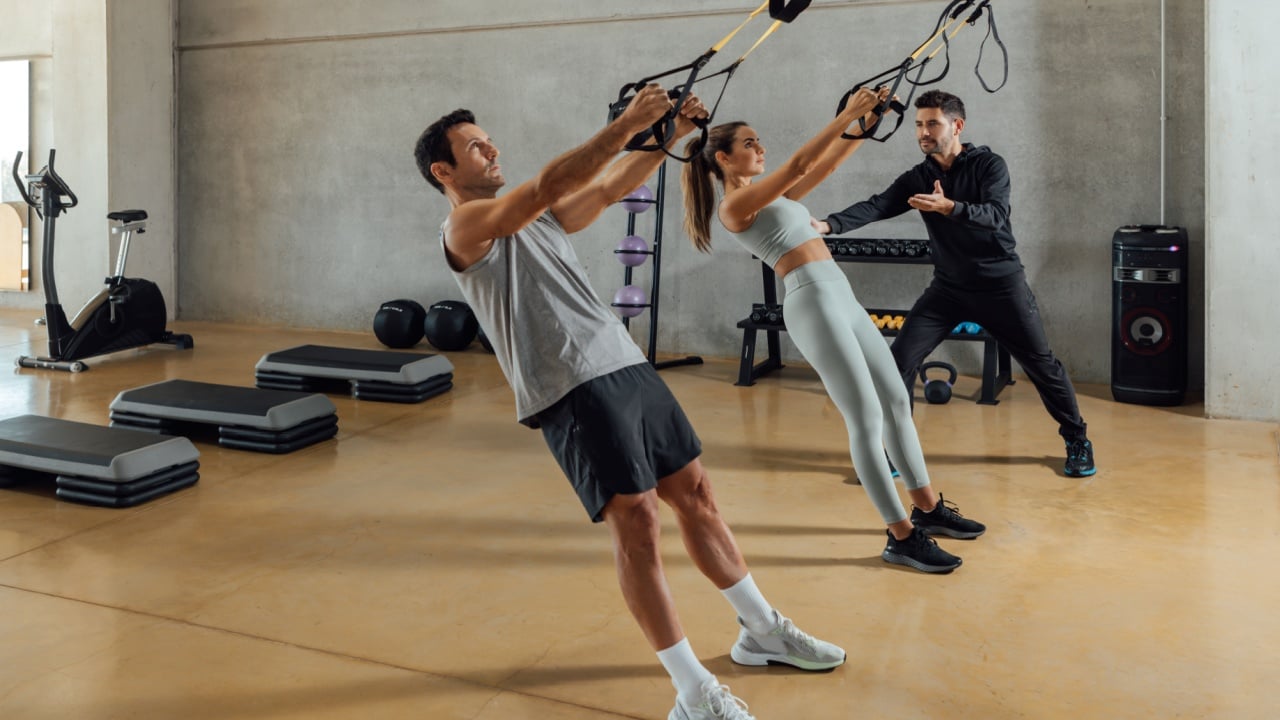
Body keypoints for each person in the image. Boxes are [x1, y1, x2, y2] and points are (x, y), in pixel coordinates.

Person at [414, 86, 844, 720]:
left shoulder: (536, 218)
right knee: (638, 522)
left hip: (623, 363)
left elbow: (607, 190)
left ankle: (762, 631)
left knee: (696, 494)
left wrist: (666, 139)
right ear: (443, 171)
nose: (491, 148)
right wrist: (628, 123)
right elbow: (542, 187)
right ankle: (693, 692)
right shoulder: (466, 226)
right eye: (474, 146)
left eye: (488, 138)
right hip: (569, 386)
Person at [681, 86, 986, 576]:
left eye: (759, 141)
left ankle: (927, 506)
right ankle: (901, 536)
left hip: (840, 295)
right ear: (723, 159)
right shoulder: (735, 207)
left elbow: (824, 168)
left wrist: (865, 125)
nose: (761, 148)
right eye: (750, 143)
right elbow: (801, 165)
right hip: (812, 301)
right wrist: (847, 113)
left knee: (894, 400)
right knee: (865, 417)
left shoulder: (771, 195)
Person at [813, 89, 1095, 478]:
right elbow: (878, 204)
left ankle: (1077, 439)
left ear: (957, 125)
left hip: (1000, 285)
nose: (923, 132)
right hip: (948, 289)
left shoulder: (989, 166)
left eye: (932, 123)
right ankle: (897, 449)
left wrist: (950, 207)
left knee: (1043, 366)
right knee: (898, 364)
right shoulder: (920, 176)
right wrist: (827, 225)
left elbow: (995, 215)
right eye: (918, 124)